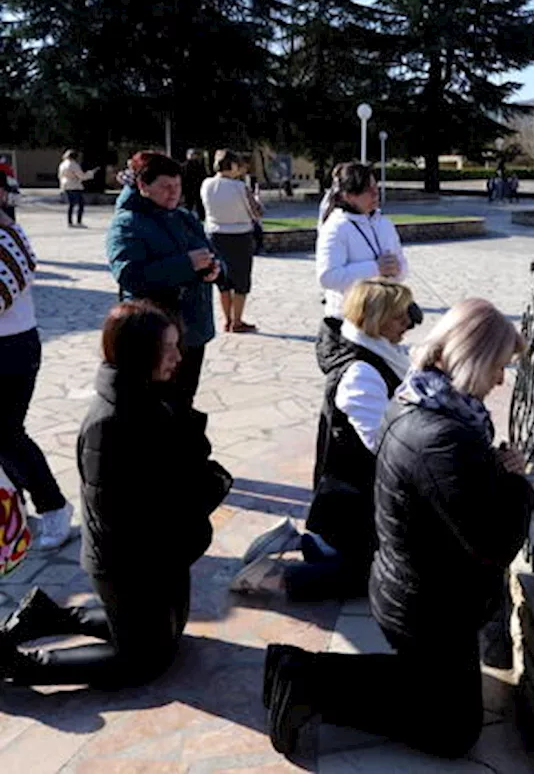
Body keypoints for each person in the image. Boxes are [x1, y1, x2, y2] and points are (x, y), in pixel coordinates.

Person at [263, 299, 532, 759]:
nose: (501, 380)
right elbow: (493, 544)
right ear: (473, 357)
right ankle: (307, 680)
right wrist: (516, 484)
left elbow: (448, 499)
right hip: (427, 608)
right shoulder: (444, 434)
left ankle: (295, 669)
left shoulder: (420, 396)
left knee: (430, 692)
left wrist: (491, 470)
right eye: (499, 367)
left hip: (410, 587)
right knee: (454, 732)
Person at [0, 302, 231, 687]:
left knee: (169, 640)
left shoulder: (151, 394)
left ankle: (50, 616)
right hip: (127, 561)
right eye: (168, 347)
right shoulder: (110, 424)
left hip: (159, 548)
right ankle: (19, 665)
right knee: (144, 662)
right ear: (140, 352)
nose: (178, 356)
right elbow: (117, 518)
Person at [233, 279, 414, 599]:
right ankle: (275, 578)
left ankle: (306, 543)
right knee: (374, 578)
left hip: (356, 495)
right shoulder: (361, 372)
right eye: (399, 316)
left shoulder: (381, 355)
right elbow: (380, 441)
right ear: (375, 319)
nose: (408, 322)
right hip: (350, 499)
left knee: (387, 564)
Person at [106, 151, 222, 410]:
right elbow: (129, 274)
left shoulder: (184, 218)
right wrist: (187, 264)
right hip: (154, 335)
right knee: (155, 408)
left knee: (183, 403)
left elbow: (211, 253)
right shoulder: (127, 224)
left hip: (192, 331)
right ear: (143, 186)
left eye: (177, 186)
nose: (173, 193)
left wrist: (215, 269)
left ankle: (184, 450)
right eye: (165, 187)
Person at [0, 182, 74, 550]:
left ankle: (54, 506)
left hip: (12, 351)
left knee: (7, 434)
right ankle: (17, 509)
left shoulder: (8, 238)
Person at [315, 163, 406, 371]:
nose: (375, 193)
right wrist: (375, 268)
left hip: (384, 321)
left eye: (376, 187)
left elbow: (401, 266)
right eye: (367, 189)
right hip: (349, 325)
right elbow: (327, 276)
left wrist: (397, 270)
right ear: (348, 195)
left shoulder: (384, 223)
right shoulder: (336, 227)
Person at [201, 150, 258, 333]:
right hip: (240, 235)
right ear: (232, 165)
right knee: (241, 281)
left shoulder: (207, 184)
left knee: (223, 280)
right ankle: (237, 320)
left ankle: (227, 319)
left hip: (215, 234)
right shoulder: (239, 187)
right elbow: (255, 211)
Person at [57, 149, 96, 228]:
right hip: (74, 186)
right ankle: (79, 221)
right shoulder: (74, 165)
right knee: (81, 204)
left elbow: (60, 176)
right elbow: (81, 176)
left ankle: (70, 222)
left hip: (65, 185)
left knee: (71, 205)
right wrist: (90, 173)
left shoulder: (62, 165)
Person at [180, 149, 208, 221]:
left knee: (189, 206)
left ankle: (187, 219)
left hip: (189, 190)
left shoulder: (184, 166)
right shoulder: (200, 166)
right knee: (198, 206)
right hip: (195, 189)